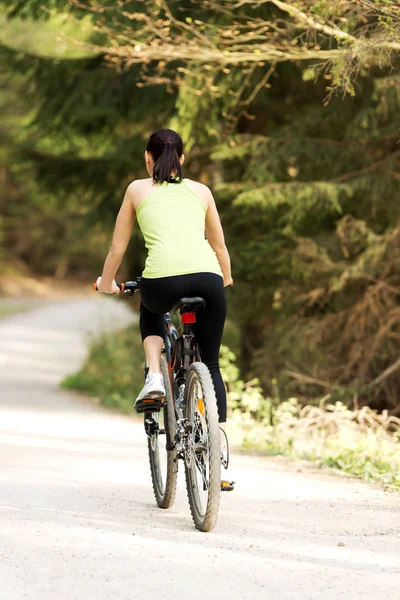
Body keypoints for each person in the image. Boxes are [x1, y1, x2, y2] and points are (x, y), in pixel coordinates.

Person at [96, 128, 233, 439]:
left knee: (151, 308)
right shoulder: (202, 191)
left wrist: (107, 283)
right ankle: (220, 451)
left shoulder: (137, 190)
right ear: (182, 159)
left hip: (162, 280)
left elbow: (118, 248)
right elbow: (219, 246)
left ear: (148, 158)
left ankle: (155, 375)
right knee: (211, 365)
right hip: (208, 279)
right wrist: (225, 277)